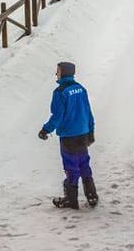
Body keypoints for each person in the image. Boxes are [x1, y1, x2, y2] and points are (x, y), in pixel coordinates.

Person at [38, 61, 97, 209]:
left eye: (57, 71)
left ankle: (71, 199)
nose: (56, 73)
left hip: (68, 136)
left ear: (63, 72)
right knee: (84, 163)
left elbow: (57, 116)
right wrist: (91, 131)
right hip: (83, 133)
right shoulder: (81, 89)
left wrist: (46, 130)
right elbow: (88, 112)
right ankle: (91, 195)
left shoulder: (60, 92)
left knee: (71, 166)